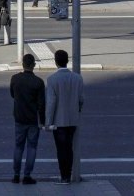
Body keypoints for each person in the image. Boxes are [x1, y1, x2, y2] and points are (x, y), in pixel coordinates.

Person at [44, 49, 84, 184]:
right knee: (69, 148)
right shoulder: (77, 78)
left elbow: (51, 103)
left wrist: (48, 122)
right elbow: (81, 99)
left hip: (58, 121)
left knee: (61, 149)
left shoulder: (52, 80)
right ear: (67, 61)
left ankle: (64, 176)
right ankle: (70, 173)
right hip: (72, 119)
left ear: (56, 62)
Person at [9, 53, 44, 185]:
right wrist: (43, 121)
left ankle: (16, 174)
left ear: (23, 64)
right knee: (32, 147)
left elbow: (12, 94)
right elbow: (41, 104)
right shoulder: (38, 82)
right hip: (32, 118)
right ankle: (27, 175)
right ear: (34, 65)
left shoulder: (15, 79)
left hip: (19, 116)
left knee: (18, 146)